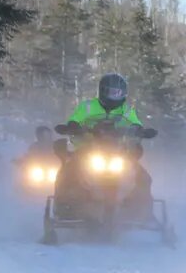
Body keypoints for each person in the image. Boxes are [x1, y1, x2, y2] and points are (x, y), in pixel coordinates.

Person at [53, 73, 154, 221]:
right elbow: (75, 119)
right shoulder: (87, 107)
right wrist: (73, 127)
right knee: (68, 171)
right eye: (112, 92)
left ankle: (143, 210)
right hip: (88, 149)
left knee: (143, 176)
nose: (115, 96)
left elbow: (135, 123)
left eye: (118, 93)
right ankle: (62, 205)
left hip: (118, 151)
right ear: (103, 91)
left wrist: (141, 131)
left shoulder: (126, 110)